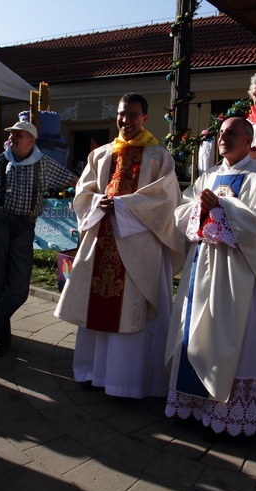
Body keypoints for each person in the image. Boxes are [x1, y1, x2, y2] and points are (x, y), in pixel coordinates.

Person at [54, 93, 185, 398]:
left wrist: (124, 207)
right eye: (122, 114)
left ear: (145, 118)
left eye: (133, 115)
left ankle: (127, 382)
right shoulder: (101, 155)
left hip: (138, 249)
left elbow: (166, 201)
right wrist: (98, 202)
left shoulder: (158, 157)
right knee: (96, 309)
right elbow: (83, 193)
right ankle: (93, 372)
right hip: (101, 242)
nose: (126, 120)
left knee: (133, 311)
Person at [165, 116, 256, 437]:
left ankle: (231, 417)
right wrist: (200, 211)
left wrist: (223, 209)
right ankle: (194, 406)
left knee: (241, 337)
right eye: (221, 133)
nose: (224, 138)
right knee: (195, 331)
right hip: (203, 269)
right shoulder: (208, 175)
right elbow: (182, 213)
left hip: (241, 277)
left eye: (232, 133)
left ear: (248, 140)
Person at [0, 120, 77, 356]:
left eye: (18, 135)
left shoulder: (43, 164)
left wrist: (95, 189)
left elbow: (73, 181)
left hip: (25, 227)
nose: (12, 138)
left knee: (18, 288)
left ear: (31, 140)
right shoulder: (0, 161)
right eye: (11, 135)